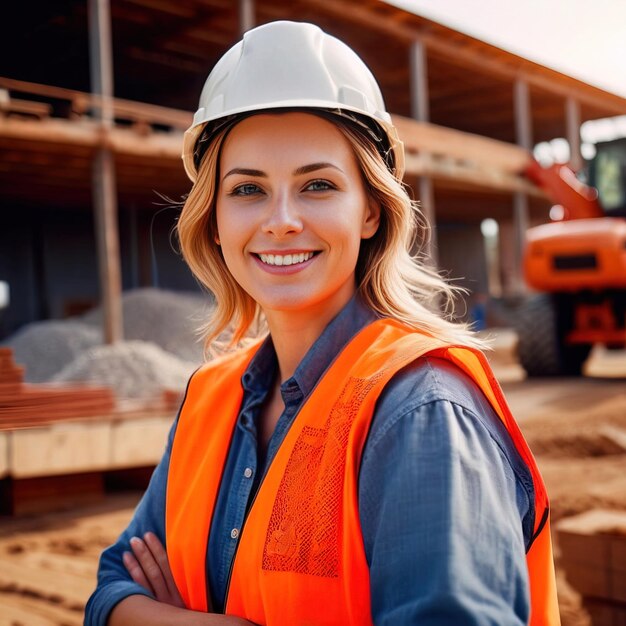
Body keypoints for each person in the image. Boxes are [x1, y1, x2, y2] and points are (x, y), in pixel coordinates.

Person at [85, 20, 560, 626]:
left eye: (317, 185)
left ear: (369, 210)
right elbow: (108, 592)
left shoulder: (420, 412)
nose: (280, 221)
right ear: (215, 217)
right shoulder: (211, 397)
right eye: (248, 189)